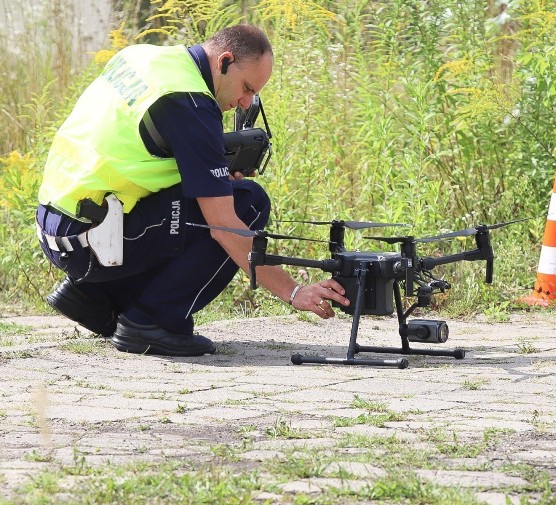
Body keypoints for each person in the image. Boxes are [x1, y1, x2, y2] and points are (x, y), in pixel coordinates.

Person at [35, 24, 348, 356]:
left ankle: (95, 296)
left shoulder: (144, 57)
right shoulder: (190, 102)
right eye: (245, 88)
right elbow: (224, 226)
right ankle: (152, 322)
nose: (245, 103)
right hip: (91, 241)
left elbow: (136, 148)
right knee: (247, 203)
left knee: (216, 193)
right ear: (224, 61)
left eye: (254, 95)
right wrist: (294, 291)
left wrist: (212, 173)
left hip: (59, 227)